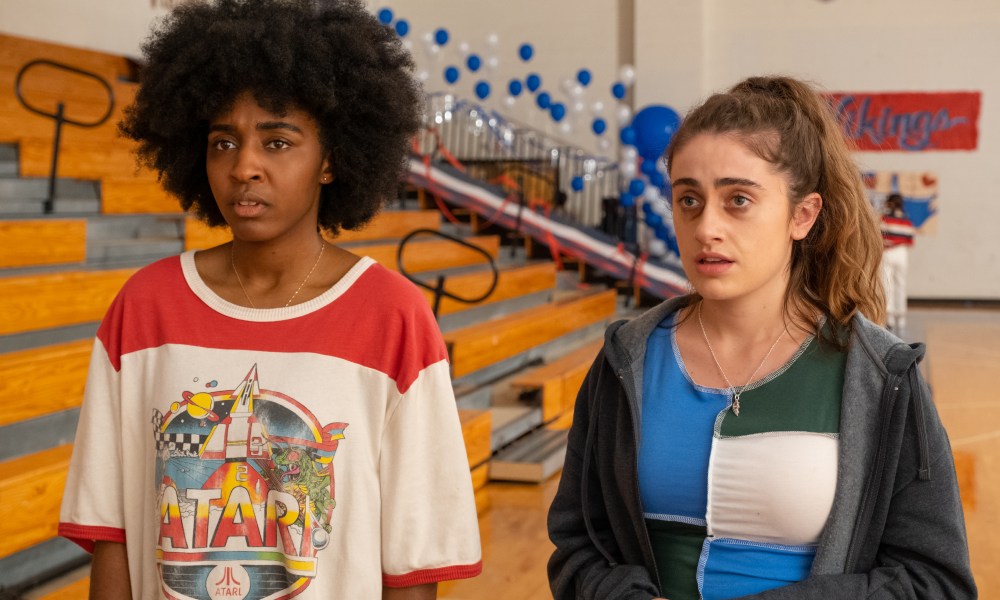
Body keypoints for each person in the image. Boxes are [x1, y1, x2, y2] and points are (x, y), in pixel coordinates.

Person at [57, 1, 482, 598]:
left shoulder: (393, 317)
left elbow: (413, 563)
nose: (244, 166)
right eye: (223, 142)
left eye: (277, 142)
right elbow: (111, 533)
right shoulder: (144, 306)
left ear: (331, 159)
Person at [547, 76, 975, 600]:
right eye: (688, 200)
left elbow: (934, 582)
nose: (706, 227)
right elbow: (580, 545)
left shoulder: (878, 374)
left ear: (802, 215)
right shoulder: (626, 360)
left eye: (739, 200)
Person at [880, 193, 915, 332]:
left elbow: (880, 237)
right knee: (901, 283)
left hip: (887, 253)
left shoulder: (885, 218)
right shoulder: (907, 220)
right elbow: (910, 241)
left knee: (886, 283)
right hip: (902, 253)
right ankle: (901, 317)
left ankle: (889, 317)